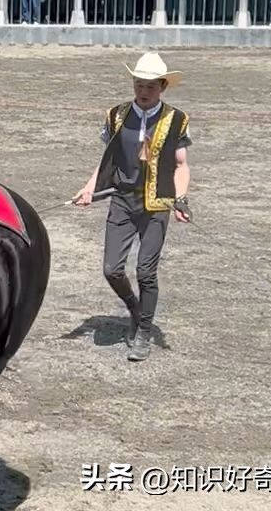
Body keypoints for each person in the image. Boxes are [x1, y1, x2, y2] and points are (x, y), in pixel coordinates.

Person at [73, 52, 192, 362]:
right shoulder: (116, 115)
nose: (143, 91)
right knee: (111, 269)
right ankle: (135, 308)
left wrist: (181, 198)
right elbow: (107, 160)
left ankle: (143, 331)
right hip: (122, 201)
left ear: (163, 87)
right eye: (139, 84)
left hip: (156, 203)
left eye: (150, 86)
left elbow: (181, 165)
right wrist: (89, 188)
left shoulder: (176, 119)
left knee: (145, 271)